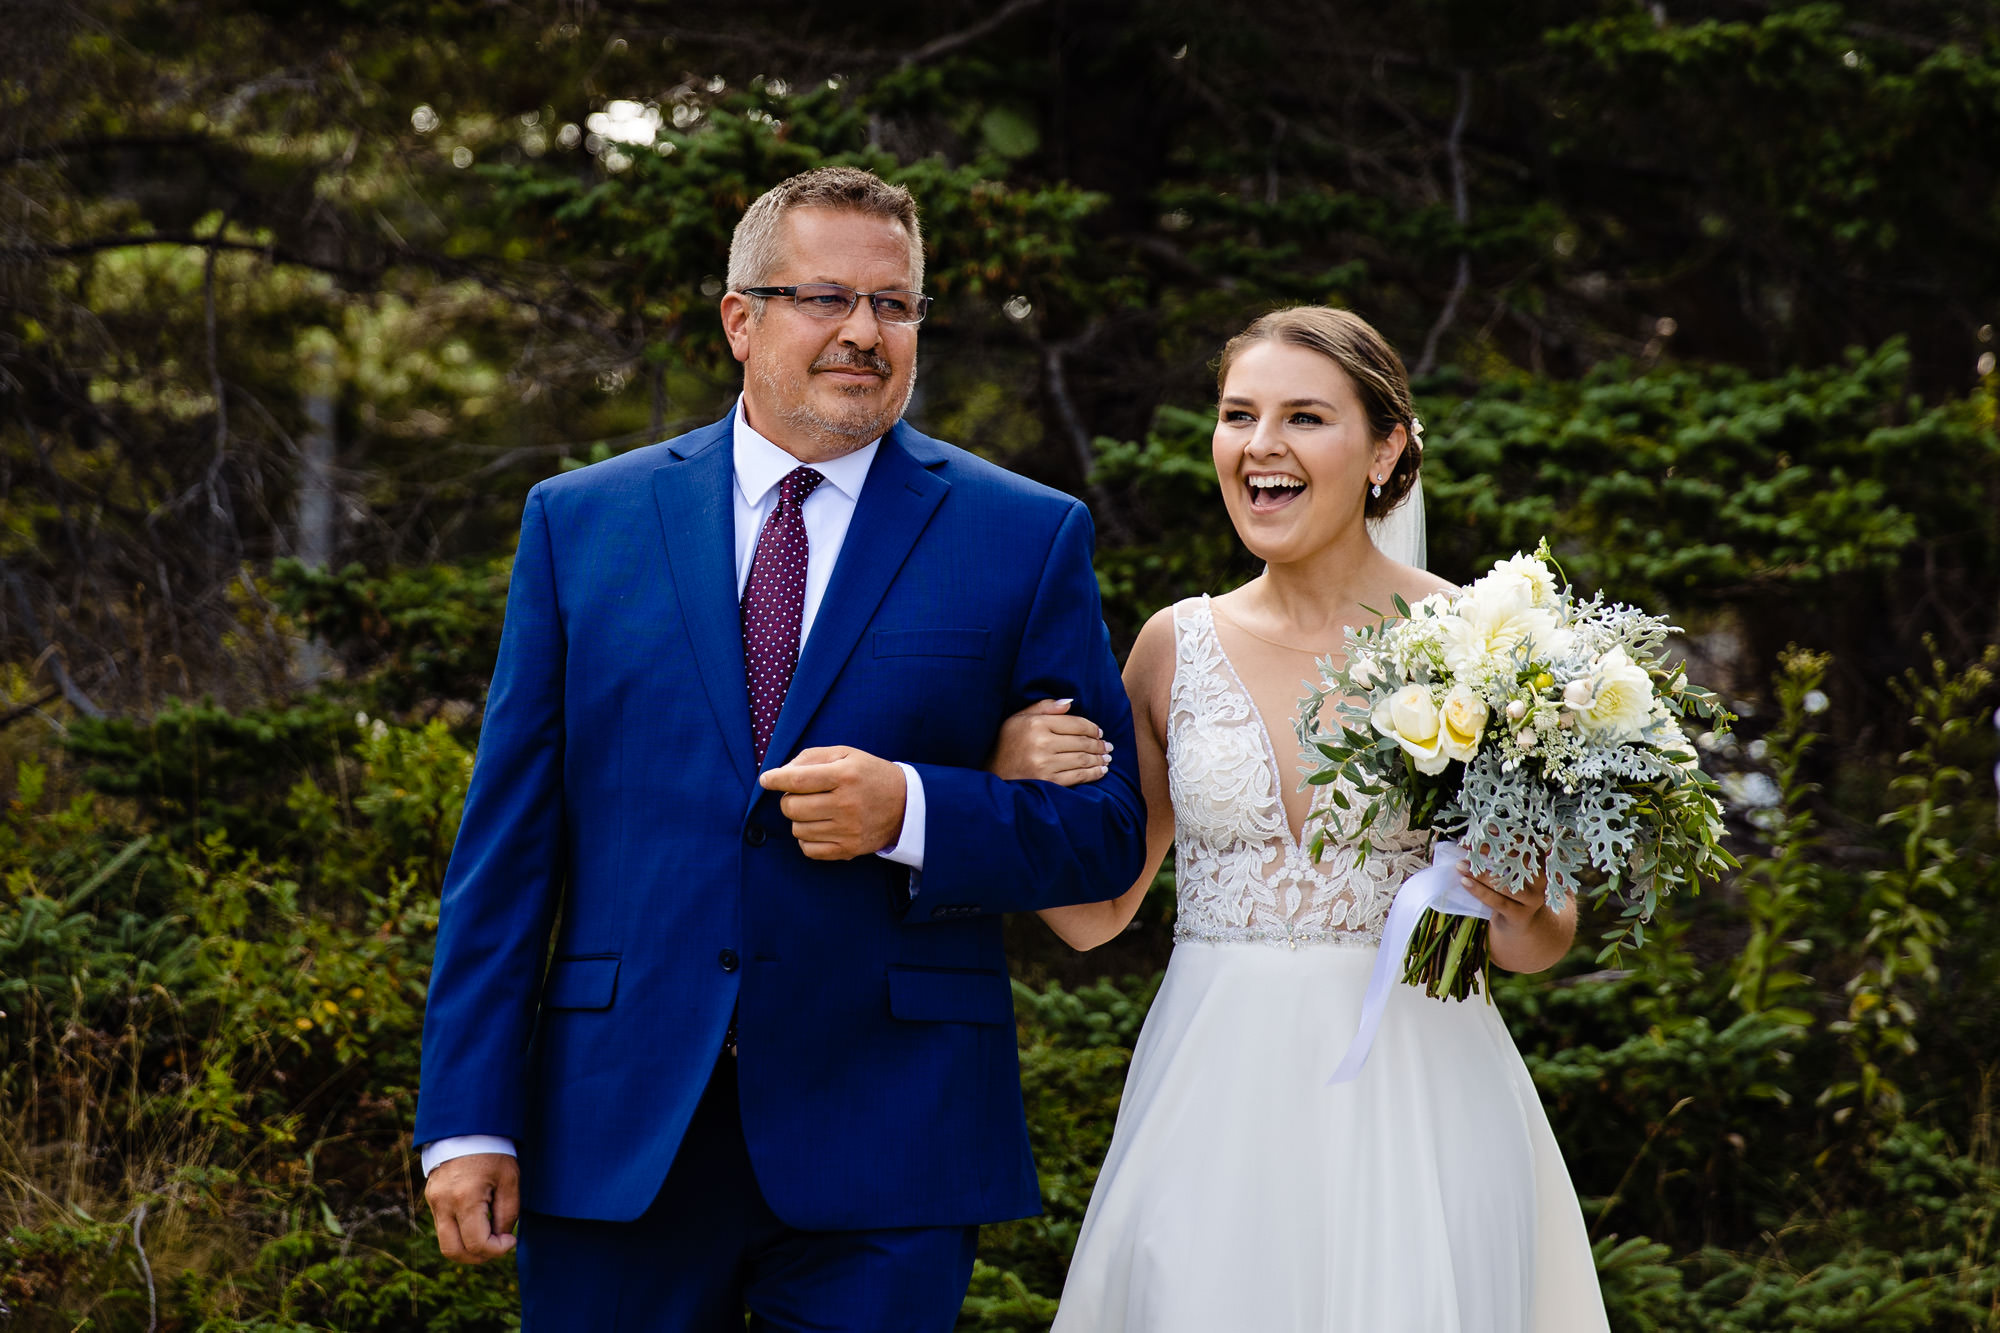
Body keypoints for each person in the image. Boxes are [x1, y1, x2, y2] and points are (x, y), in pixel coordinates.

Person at [412, 165, 1148, 1331]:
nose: (863, 332)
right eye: (824, 298)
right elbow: (506, 849)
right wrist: (466, 1117)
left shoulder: (1023, 534)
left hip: (890, 1141)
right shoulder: (580, 523)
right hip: (618, 1128)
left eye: (894, 305)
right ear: (739, 320)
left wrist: (909, 809)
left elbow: (1105, 838)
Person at [993, 307, 1611, 1332]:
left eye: (1303, 417)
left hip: (1422, 1098)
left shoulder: (1482, 646)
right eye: (1238, 414)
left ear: (1384, 452)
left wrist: (1514, 906)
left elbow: (1537, 940)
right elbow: (1094, 914)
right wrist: (1015, 782)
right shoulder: (1168, 647)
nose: (1259, 445)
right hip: (1210, 1106)